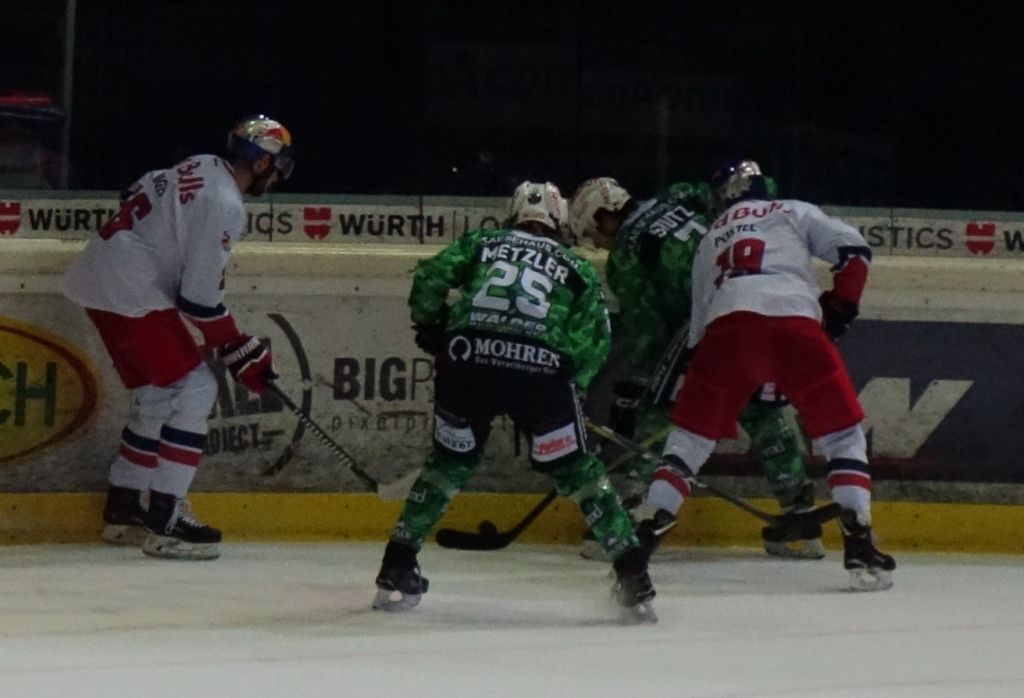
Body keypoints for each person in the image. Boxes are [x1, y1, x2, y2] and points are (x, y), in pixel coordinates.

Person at [373, 181, 657, 623]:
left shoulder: (481, 242)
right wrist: (574, 385)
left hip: (467, 359)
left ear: (513, 214)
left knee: (448, 466)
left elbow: (430, 277)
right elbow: (596, 336)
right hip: (540, 371)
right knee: (580, 472)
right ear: (558, 221)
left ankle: (398, 561)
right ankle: (631, 569)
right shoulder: (577, 267)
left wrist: (434, 325)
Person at [633, 159, 896, 591]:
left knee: (688, 444)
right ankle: (860, 544)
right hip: (795, 324)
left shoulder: (710, 238)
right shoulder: (792, 209)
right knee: (842, 436)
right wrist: (841, 308)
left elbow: (698, 333)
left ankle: (640, 547)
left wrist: (718, 385)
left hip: (726, 332)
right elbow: (855, 252)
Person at [61, 115, 294, 560]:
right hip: (132, 289)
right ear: (262, 161)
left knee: (158, 391)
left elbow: (135, 191)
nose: (278, 176)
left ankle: (126, 504)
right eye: (278, 165)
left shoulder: (200, 163)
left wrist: (233, 344)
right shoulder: (225, 202)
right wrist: (239, 347)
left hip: (100, 276)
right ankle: (166, 519)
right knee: (196, 388)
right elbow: (199, 300)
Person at [568, 176, 824, 559]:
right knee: (761, 408)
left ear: (605, 217)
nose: (599, 245)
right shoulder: (679, 194)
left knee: (657, 410)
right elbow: (732, 192)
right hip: (767, 296)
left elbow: (649, 332)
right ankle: (799, 515)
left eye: (594, 234)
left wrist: (639, 384)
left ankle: (635, 515)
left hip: (711, 320)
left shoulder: (626, 255)